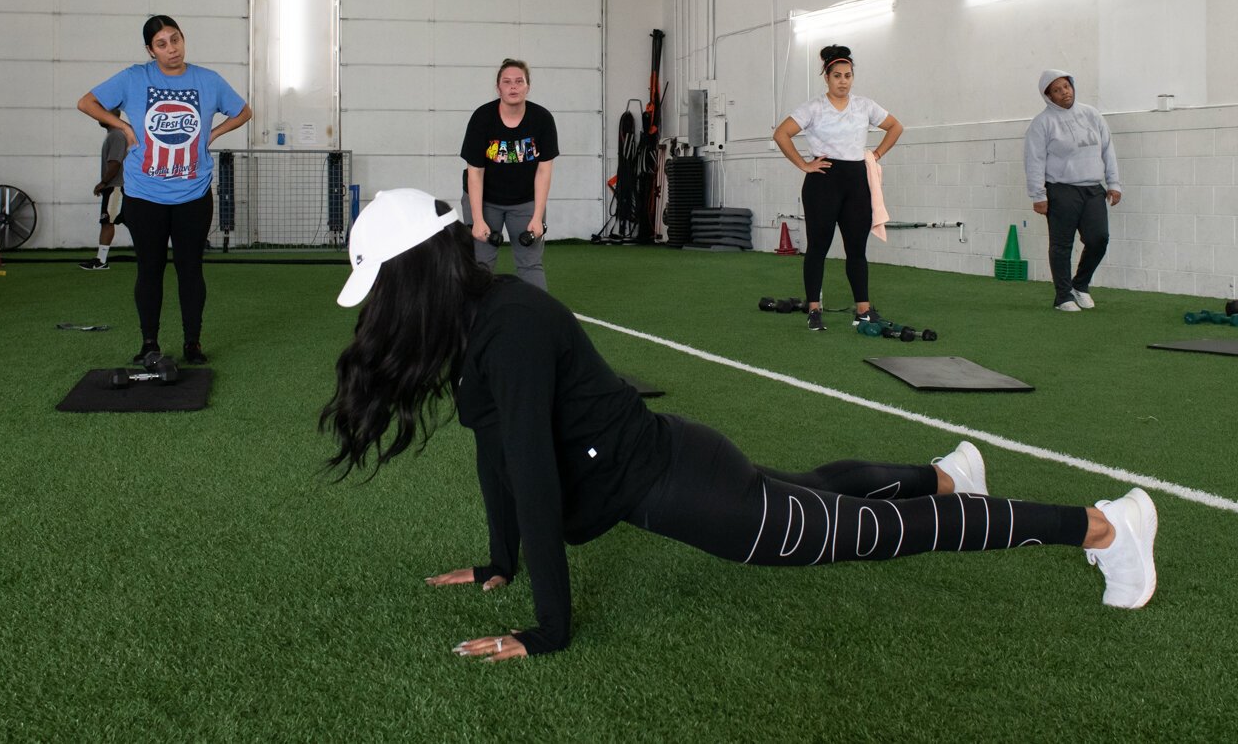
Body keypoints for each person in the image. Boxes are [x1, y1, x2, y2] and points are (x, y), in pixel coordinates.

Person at [321, 188, 1158, 660]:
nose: (381, 314)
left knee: (877, 532)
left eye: (383, 289)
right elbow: (496, 457)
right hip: (686, 467)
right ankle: (948, 473)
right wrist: (499, 563)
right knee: (828, 491)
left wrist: (548, 630)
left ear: (417, 272)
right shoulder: (474, 330)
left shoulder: (512, 326)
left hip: (699, 494)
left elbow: (535, 477)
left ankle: (1104, 525)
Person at [77, 15, 251, 365]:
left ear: (183, 39)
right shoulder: (133, 78)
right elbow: (87, 102)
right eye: (162, 44)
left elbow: (243, 111)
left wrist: (213, 134)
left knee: (190, 269)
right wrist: (123, 126)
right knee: (150, 269)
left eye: (176, 39)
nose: (172, 49)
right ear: (150, 50)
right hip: (144, 195)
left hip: (193, 193)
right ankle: (149, 343)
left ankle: (192, 342)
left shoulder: (208, 80)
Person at [773, 44, 904, 331]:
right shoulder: (813, 108)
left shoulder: (865, 106)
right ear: (827, 78)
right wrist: (804, 164)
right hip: (824, 181)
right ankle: (814, 309)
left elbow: (895, 126)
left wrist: (876, 154)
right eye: (837, 76)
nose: (843, 81)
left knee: (856, 248)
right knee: (818, 247)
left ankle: (863, 310)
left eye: (847, 75)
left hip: (857, 181)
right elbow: (781, 133)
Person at [1024, 70, 1121, 312]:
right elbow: (1034, 160)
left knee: (1099, 238)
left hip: (1092, 189)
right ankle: (1063, 296)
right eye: (1056, 90)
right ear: (1048, 96)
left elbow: (1107, 149)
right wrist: (1038, 195)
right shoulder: (1043, 123)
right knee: (1061, 245)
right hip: (1061, 190)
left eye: (1066, 86)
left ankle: (1080, 285)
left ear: (1072, 86)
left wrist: (1114, 183)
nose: (1064, 92)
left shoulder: (1091, 114)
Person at [460, 59, 558, 291]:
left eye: (518, 81)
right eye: (507, 82)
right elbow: (475, 172)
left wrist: (537, 217)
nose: (513, 87)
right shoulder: (482, 118)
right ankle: (473, 318)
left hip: (525, 201)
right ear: (498, 88)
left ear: (527, 87)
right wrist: (477, 219)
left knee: (530, 263)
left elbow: (544, 170)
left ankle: (536, 316)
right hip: (485, 200)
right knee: (480, 263)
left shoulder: (542, 119)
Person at [80, 111, 128, 270]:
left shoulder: (116, 135)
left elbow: (115, 163)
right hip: (116, 186)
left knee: (107, 222)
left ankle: (101, 261)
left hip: (115, 187)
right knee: (123, 222)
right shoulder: (114, 135)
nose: (98, 117)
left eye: (102, 115)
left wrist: (103, 182)